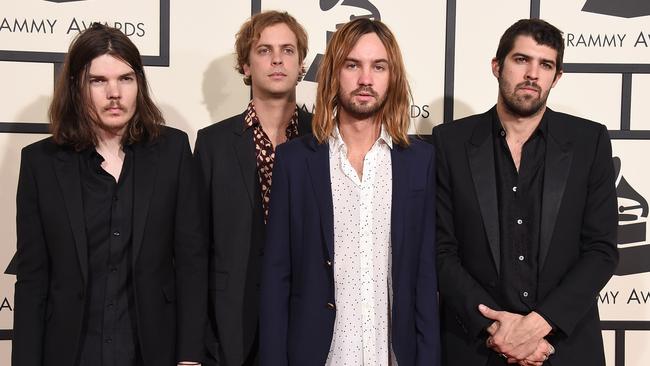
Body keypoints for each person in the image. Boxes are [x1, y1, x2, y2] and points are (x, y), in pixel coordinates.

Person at [12, 23, 207, 366]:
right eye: (98, 81)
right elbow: (32, 281)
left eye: (126, 79)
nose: (114, 92)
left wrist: (190, 356)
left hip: (152, 351)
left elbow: (191, 262)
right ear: (76, 87)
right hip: (70, 353)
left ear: (139, 85)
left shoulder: (173, 151)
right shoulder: (39, 164)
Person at [433, 18, 618, 366]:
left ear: (556, 76)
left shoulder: (588, 142)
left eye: (545, 64)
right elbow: (441, 250)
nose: (532, 74)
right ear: (497, 65)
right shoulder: (450, 142)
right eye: (521, 60)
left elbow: (601, 250)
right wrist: (498, 330)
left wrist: (537, 327)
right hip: (475, 347)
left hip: (564, 346)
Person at [260, 18, 440, 365]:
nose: (365, 80)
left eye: (379, 66)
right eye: (352, 65)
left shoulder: (420, 162)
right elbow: (276, 278)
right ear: (333, 73)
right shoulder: (295, 162)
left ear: (392, 77)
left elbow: (424, 280)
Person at [193, 10, 311, 366]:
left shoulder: (325, 139)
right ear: (245, 66)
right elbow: (196, 249)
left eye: (288, 50)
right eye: (264, 50)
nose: (277, 59)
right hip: (231, 331)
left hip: (306, 323)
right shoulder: (212, 144)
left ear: (302, 65)